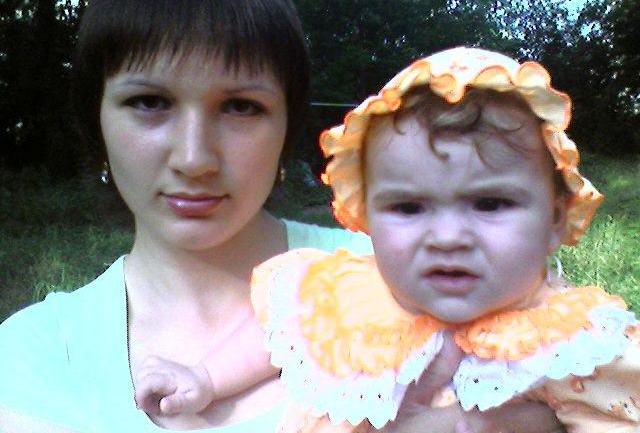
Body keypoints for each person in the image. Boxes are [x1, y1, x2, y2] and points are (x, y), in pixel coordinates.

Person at [0, 0, 565, 429]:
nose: (195, 158)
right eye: (149, 102)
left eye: (240, 107)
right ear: (95, 117)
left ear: (288, 124)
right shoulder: (36, 356)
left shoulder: (407, 275)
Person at [137, 47, 640, 432]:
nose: (447, 237)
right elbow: (276, 335)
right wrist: (205, 378)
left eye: (489, 204)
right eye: (409, 208)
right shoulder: (346, 294)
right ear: (368, 217)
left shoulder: (575, 343)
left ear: (555, 220)